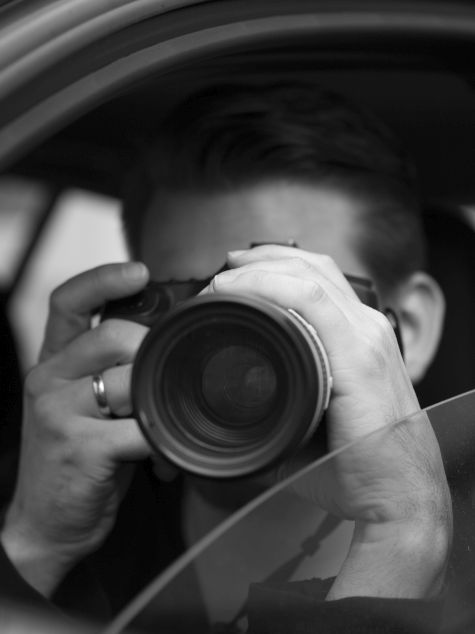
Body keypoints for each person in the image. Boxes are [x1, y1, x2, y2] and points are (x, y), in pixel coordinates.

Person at [0, 82, 451, 631]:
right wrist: (34, 543)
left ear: (413, 330)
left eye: (291, 297)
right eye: (196, 306)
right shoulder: (92, 522)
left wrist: (405, 532)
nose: (236, 349)